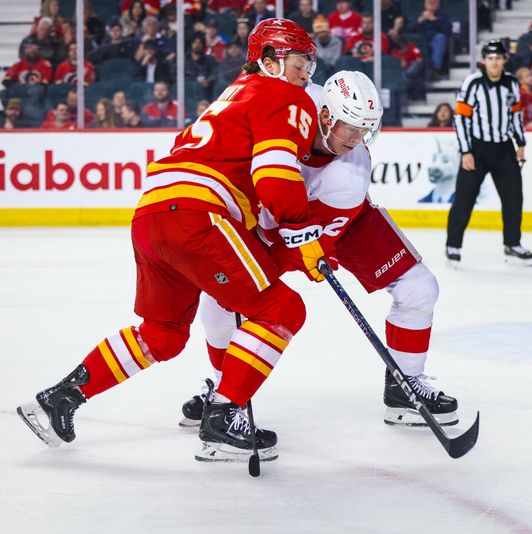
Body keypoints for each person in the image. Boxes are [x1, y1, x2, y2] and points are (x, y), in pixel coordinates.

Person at [17, 18, 323, 463]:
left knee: (162, 335)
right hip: (199, 215)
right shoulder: (283, 94)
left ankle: (60, 398)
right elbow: (275, 177)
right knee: (282, 308)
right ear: (270, 61)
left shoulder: (232, 95)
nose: (304, 74)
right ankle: (222, 418)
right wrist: (302, 230)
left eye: (307, 66)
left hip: (153, 215)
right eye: (298, 63)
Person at [180, 70, 460, 429]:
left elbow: (308, 248)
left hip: (340, 219)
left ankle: (405, 387)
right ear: (326, 115)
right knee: (218, 296)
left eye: (366, 130)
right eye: (352, 127)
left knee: (419, 288)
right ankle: (222, 392)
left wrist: (305, 251)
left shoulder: (350, 174)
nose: (359, 139)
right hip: (266, 216)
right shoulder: (294, 103)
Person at [447, 40, 532, 267]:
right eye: (490, 58)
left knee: (514, 196)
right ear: (484, 61)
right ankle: (453, 245)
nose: (494, 62)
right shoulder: (472, 82)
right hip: (477, 148)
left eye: (498, 58)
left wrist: (520, 143)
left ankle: (512, 244)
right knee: (464, 198)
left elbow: (515, 115)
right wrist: (466, 150)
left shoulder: (512, 83)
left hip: (504, 148)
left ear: (505, 60)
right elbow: (461, 118)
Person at [406, 0, 450, 78]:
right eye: (429, 3)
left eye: (434, 2)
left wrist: (434, 19)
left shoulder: (442, 16)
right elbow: (408, 30)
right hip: (420, 41)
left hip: (434, 41)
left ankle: (435, 69)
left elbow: (446, 31)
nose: (432, 5)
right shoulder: (418, 15)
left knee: (440, 38)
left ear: (438, 4)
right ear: (425, 4)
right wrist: (419, 21)